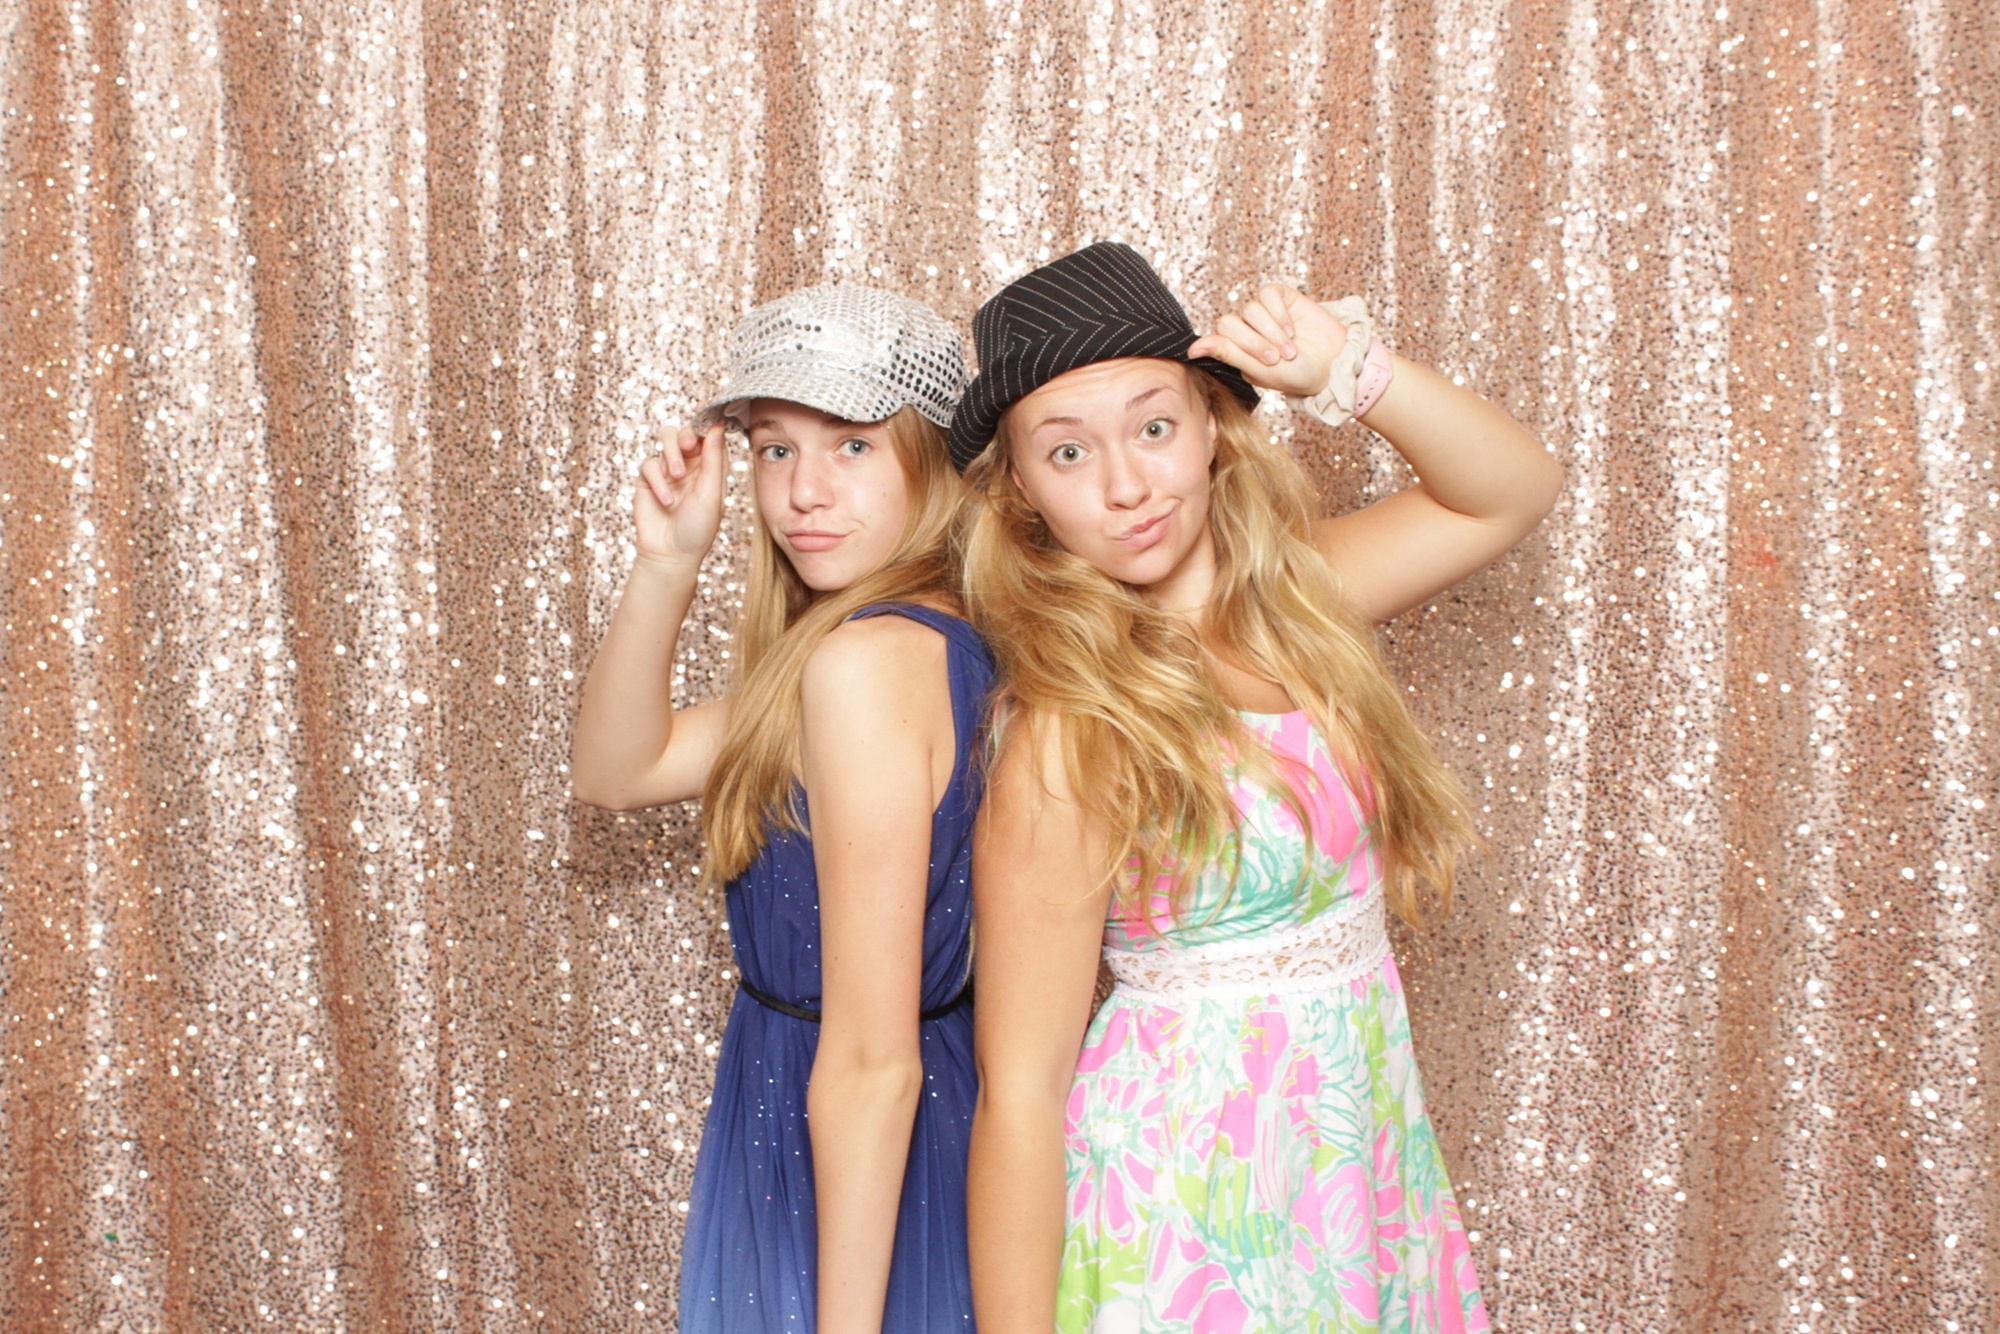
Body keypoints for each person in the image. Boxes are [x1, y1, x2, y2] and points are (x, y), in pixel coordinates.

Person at [954, 243, 1561, 1333]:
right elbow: (1020, 1095)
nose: (1128, 484)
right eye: (1066, 451)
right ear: (1022, 495)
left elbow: (1509, 492)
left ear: (1209, 427)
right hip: (1184, 1212)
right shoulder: (1065, 731)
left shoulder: (1303, 603)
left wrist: (1350, 370)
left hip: (1349, 1165)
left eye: (1152, 425)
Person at [571, 286, 991, 1333]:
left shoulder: (866, 663)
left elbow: (870, 1061)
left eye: (850, 445)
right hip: (823, 1100)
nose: (803, 490)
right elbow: (617, 770)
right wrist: (667, 563)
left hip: (854, 1133)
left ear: (930, 457)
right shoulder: (901, 641)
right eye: (772, 446)